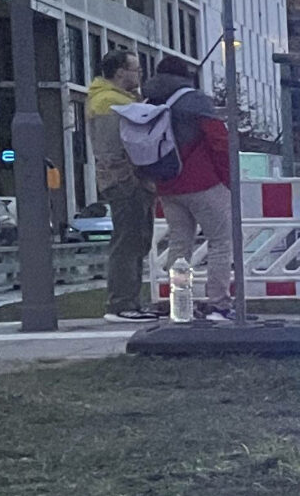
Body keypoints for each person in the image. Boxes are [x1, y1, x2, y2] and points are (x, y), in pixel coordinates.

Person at [144, 56, 235, 320]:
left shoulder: (150, 102)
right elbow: (219, 141)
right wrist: (228, 178)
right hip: (202, 182)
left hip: (168, 185)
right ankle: (218, 303)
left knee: (179, 243)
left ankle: (180, 302)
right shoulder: (194, 101)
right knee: (220, 241)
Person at [85, 48, 156, 321]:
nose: (139, 74)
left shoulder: (120, 100)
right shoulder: (108, 103)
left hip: (131, 181)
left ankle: (130, 301)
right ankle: (121, 303)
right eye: (135, 69)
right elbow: (110, 150)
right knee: (128, 241)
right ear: (119, 72)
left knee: (136, 240)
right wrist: (130, 180)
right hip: (126, 182)